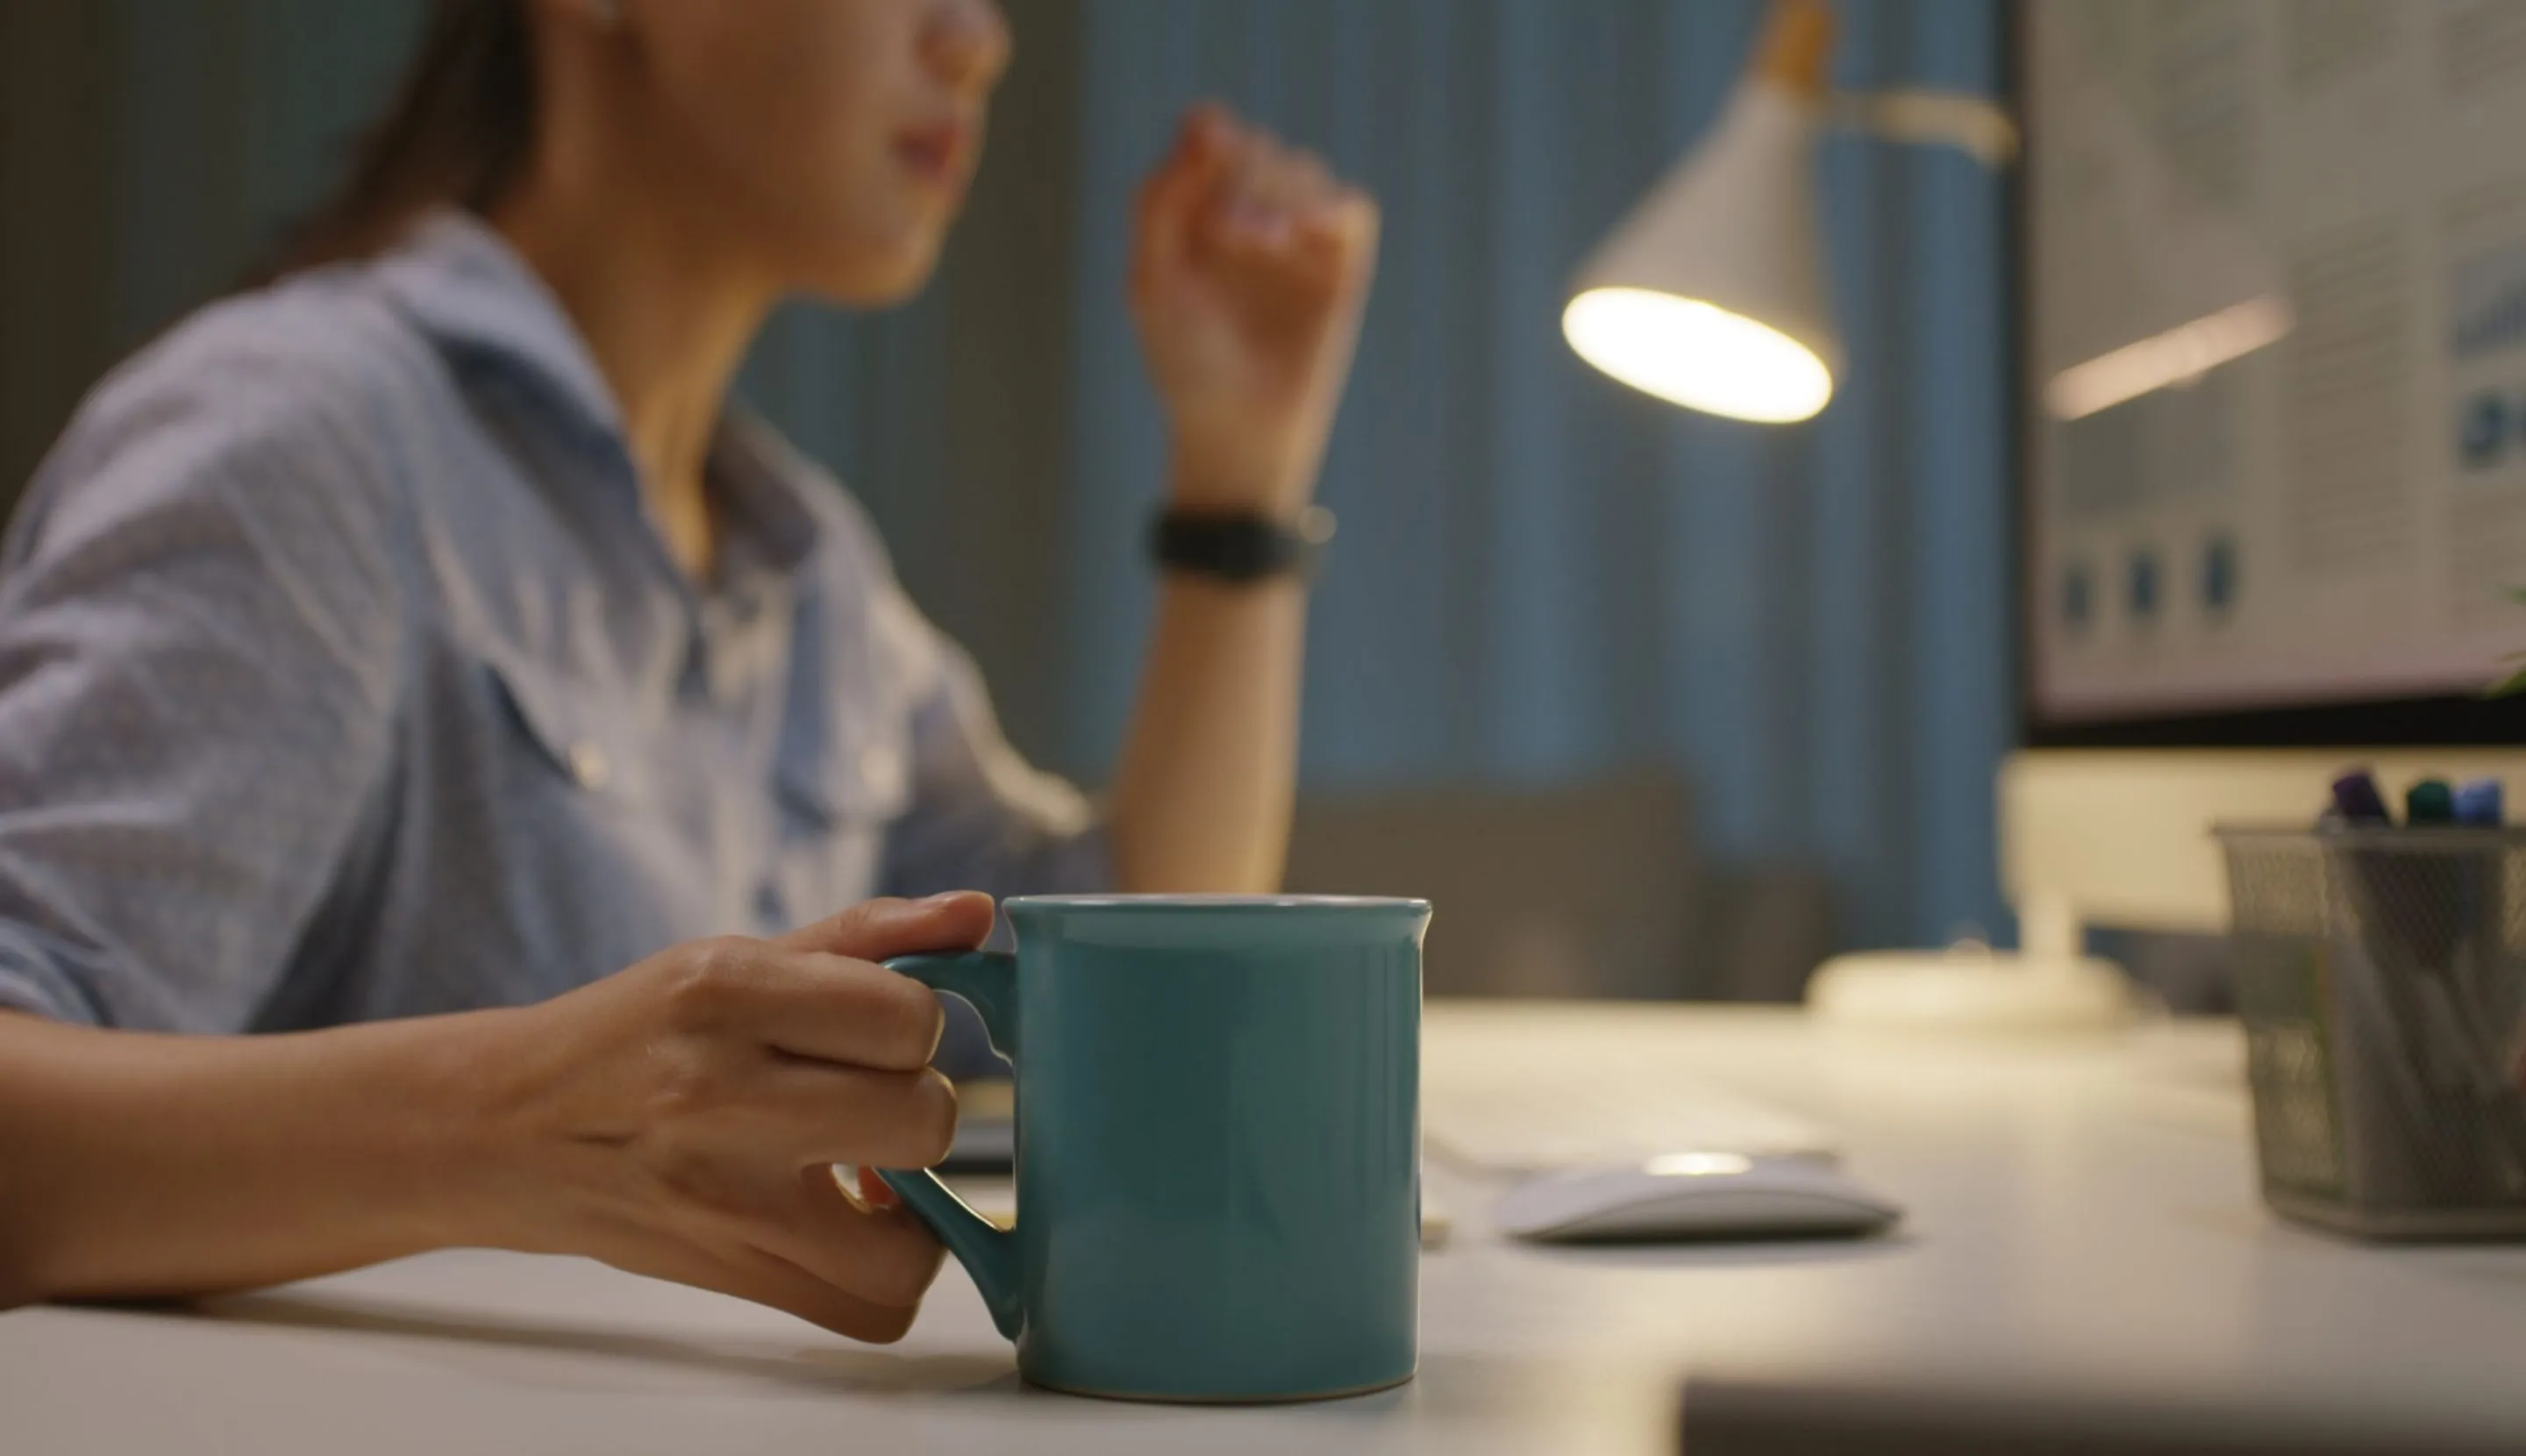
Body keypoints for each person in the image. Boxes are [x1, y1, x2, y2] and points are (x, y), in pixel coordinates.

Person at [0, 0, 1376, 1343]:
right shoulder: (306, 447)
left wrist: (1241, 471)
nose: (977, 37)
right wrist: (520, 1125)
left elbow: (1122, 978)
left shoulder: (808, 571)